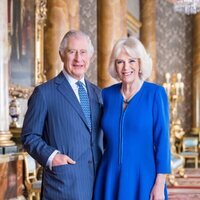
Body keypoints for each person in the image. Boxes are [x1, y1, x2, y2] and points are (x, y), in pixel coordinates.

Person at [21, 30, 103, 200]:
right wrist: (52, 157)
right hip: (63, 187)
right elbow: (29, 136)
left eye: (83, 52)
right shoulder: (44, 93)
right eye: (72, 52)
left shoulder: (99, 94)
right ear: (61, 55)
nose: (78, 58)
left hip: (99, 185)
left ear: (90, 57)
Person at [93, 36, 171, 200]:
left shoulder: (155, 94)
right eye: (120, 62)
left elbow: (162, 141)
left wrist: (159, 184)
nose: (125, 67)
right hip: (109, 175)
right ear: (114, 65)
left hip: (143, 176)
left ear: (140, 63)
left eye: (132, 61)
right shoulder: (106, 95)